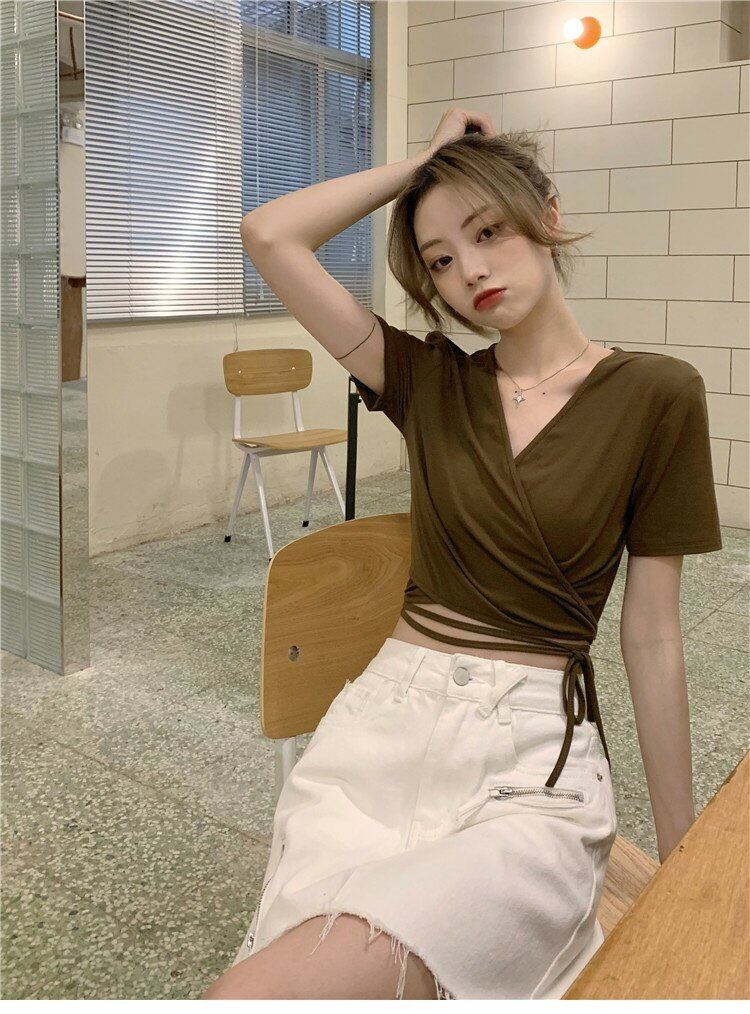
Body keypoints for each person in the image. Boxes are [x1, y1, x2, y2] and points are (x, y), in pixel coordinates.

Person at [202, 109, 722, 1000]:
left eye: (487, 232)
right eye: (440, 259)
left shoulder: (656, 393)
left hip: (530, 758)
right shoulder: (426, 379)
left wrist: (683, 856)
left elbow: (653, 634)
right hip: (381, 733)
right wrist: (424, 162)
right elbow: (269, 234)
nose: (469, 270)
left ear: (547, 217)